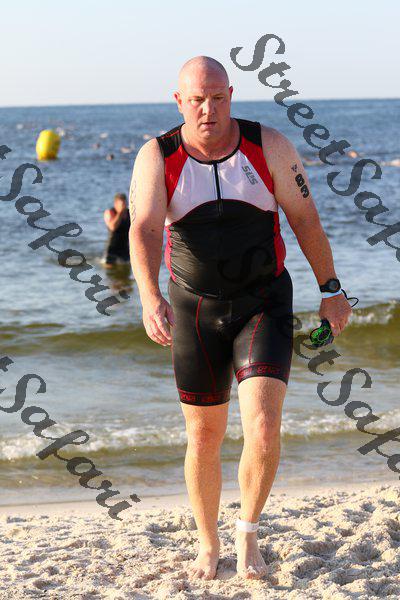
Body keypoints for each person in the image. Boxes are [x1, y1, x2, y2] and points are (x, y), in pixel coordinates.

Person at [128, 56, 352, 581]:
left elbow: (304, 218)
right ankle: (208, 543)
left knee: (264, 426)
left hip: (263, 302)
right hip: (194, 308)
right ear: (179, 101)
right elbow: (144, 228)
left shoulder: (268, 145)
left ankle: (247, 532)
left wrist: (332, 291)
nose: (208, 109)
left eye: (217, 98)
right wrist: (149, 296)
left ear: (230, 95)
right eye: (197, 100)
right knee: (203, 436)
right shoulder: (158, 156)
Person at [103, 193, 130, 266]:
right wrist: (120, 213)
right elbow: (112, 227)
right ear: (115, 204)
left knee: (126, 270)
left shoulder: (129, 213)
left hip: (125, 249)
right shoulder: (110, 212)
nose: (124, 207)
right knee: (110, 270)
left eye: (125, 204)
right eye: (122, 205)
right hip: (112, 249)